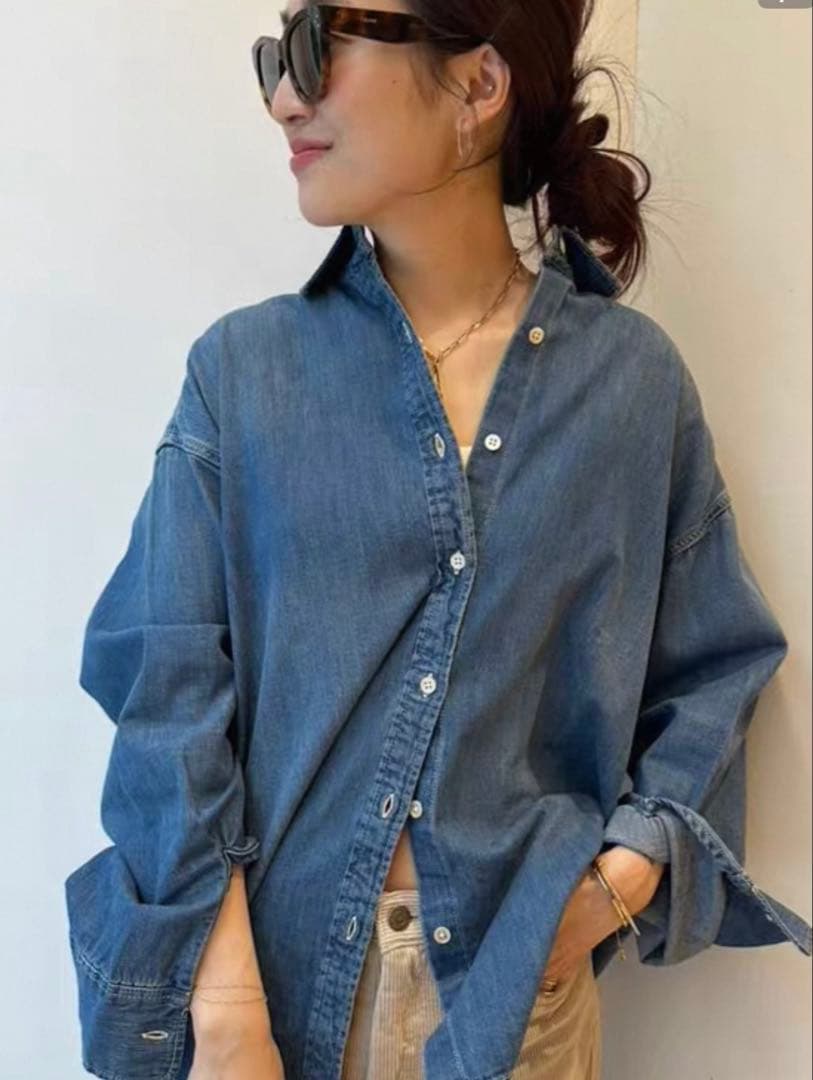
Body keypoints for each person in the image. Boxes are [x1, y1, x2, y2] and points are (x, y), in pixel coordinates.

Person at [64, 1, 812, 1079]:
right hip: (268, 1004)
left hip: (515, 1016)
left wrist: (617, 883)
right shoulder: (244, 373)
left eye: (318, 46)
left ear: (478, 85)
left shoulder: (628, 384)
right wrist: (225, 1011)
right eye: (274, 59)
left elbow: (716, 664)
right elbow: (165, 685)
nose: (284, 98)